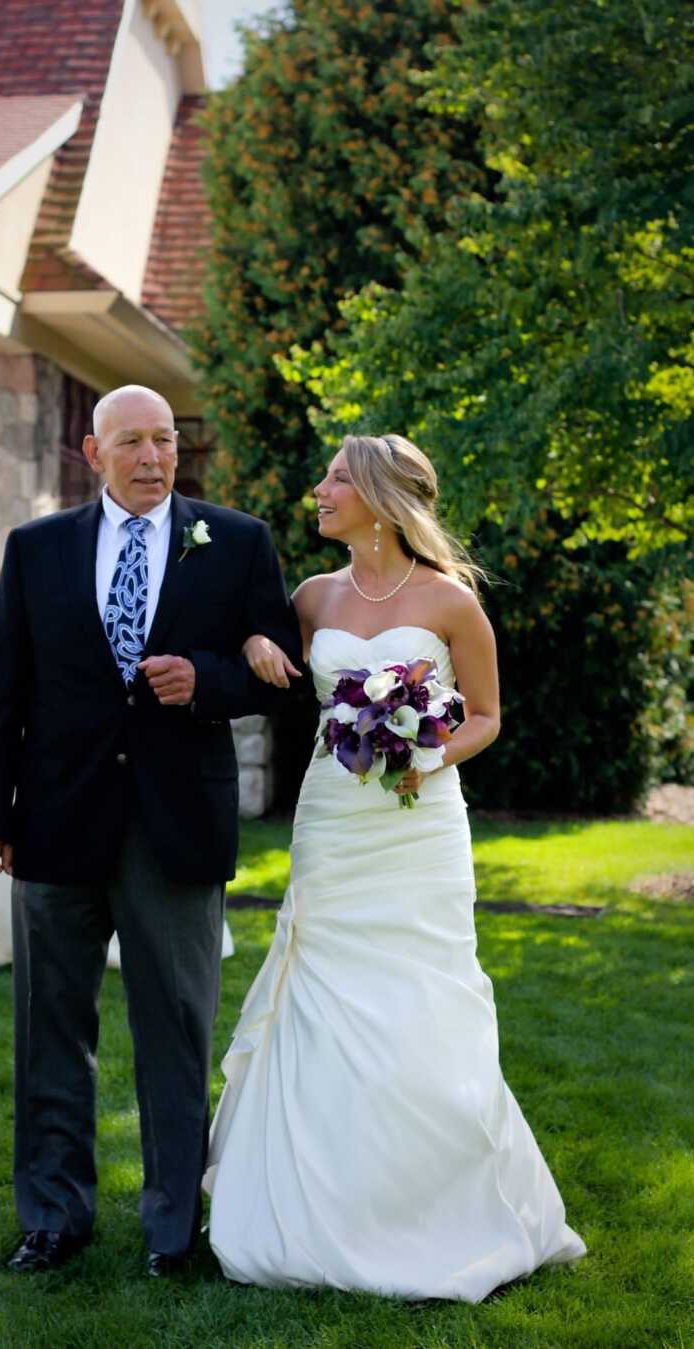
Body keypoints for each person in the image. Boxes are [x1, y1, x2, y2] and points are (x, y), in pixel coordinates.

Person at [204, 433, 586, 1301]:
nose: (319, 490)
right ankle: (312, 1205)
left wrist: (431, 752)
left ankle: (434, 1204)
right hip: (333, 823)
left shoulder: (450, 601)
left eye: (336, 479)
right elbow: (256, 659)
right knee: (326, 994)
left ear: (380, 497)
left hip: (418, 831)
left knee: (422, 998)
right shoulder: (309, 595)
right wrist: (263, 653)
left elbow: (486, 715)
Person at [0, 384, 300, 1277]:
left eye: (167, 442)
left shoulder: (237, 541)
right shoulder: (36, 550)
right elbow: (2, 693)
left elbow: (274, 671)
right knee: (50, 1030)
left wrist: (209, 681)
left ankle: (171, 1228)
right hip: (57, 824)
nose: (153, 458)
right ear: (92, 451)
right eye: (134, 443)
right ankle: (54, 1215)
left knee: (176, 1033)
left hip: (175, 824)